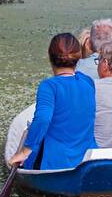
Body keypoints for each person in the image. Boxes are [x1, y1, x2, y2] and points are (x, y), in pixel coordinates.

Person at [7, 33, 97, 170]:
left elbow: (43, 119)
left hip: (55, 162)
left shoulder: (49, 86)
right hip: (88, 161)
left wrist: (25, 151)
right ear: (78, 58)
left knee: (30, 134)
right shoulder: (88, 82)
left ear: (49, 57)